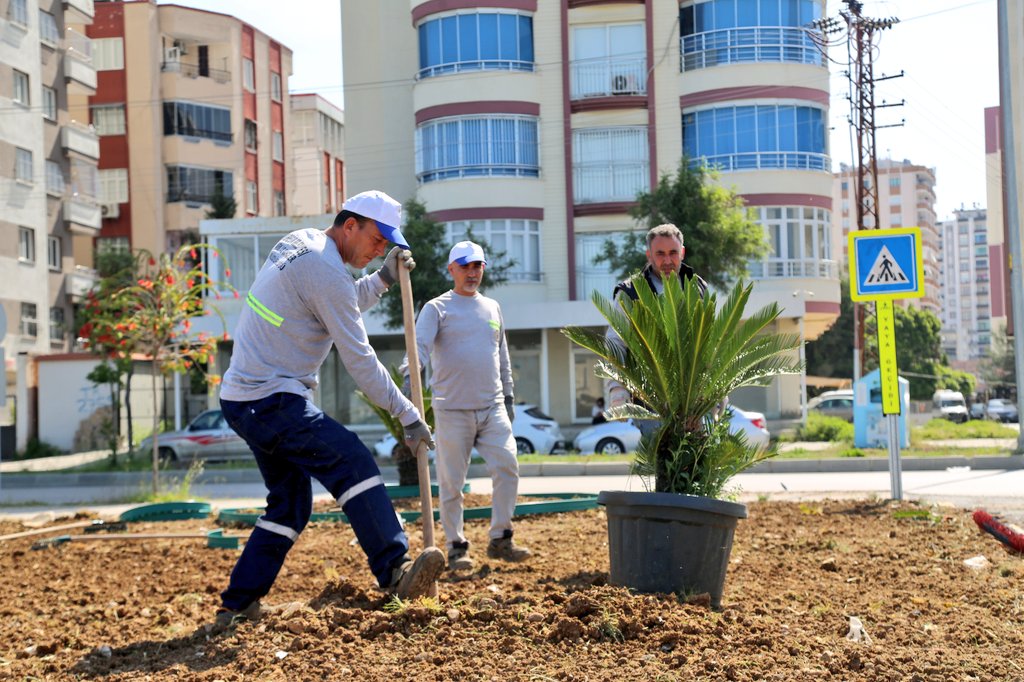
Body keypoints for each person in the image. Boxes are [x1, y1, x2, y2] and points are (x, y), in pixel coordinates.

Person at [214, 190, 444, 628]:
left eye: (386, 245)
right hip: (270, 399)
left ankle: (237, 605)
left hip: (248, 398)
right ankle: (395, 573)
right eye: (377, 240)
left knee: (289, 505)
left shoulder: (305, 243)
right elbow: (359, 359)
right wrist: (410, 414)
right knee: (352, 459)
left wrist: (382, 279)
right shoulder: (326, 269)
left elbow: (335, 302)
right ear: (350, 224)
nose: (380, 250)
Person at [404, 241, 531, 572]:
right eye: (465, 266)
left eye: (478, 266)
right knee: (451, 483)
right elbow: (417, 348)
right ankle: (456, 546)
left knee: (507, 467)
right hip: (452, 409)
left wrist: (509, 396)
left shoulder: (492, 308)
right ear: (452, 270)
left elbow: (501, 355)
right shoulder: (436, 308)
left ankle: (501, 537)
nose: (472, 272)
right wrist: (408, 378)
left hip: (492, 408)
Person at [607, 224, 708, 410]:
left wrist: (716, 393)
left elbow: (710, 339)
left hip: (694, 403)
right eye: (660, 253)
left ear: (683, 252)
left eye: (673, 252)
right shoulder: (631, 292)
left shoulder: (698, 287)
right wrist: (617, 389)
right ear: (649, 255)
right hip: (651, 402)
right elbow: (616, 341)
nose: (667, 260)